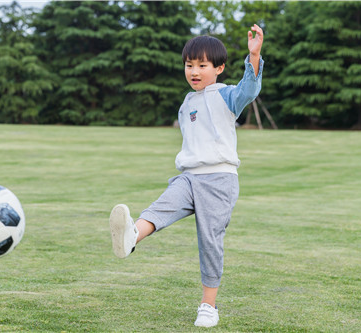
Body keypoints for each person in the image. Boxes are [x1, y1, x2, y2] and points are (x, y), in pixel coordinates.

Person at [109, 24, 264, 328]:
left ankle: (209, 305)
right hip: (189, 178)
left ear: (218, 68)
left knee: (209, 241)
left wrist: (254, 55)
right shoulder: (186, 102)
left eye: (202, 65)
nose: (194, 71)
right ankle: (131, 235)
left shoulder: (227, 95)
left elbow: (250, 89)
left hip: (219, 180)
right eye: (189, 65)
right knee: (161, 207)